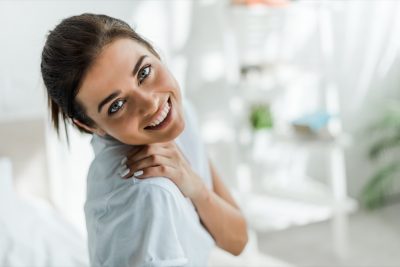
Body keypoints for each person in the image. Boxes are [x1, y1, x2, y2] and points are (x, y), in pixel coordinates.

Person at [40, 13, 248, 267]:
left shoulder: (176, 114)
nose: (150, 102)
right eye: (116, 105)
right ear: (91, 126)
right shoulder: (146, 193)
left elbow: (238, 240)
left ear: (154, 51)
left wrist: (194, 185)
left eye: (144, 72)